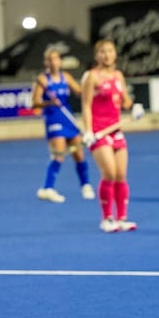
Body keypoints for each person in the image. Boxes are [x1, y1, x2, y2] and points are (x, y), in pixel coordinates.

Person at [81, 39, 144, 233]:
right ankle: (107, 218)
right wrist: (88, 130)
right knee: (109, 172)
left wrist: (134, 107)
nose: (106, 55)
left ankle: (122, 218)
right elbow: (85, 105)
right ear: (96, 55)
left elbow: (124, 100)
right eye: (102, 52)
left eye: (110, 51)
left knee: (121, 175)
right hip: (99, 133)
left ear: (115, 54)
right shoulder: (91, 77)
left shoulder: (118, 76)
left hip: (116, 131)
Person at [32, 48, 95, 203]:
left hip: (68, 118)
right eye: (50, 59)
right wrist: (49, 102)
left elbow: (80, 92)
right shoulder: (43, 80)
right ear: (46, 62)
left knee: (78, 154)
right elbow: (34, 102)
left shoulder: (66, 77)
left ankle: (85, 185)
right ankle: (48, 188)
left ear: (60, 61)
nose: (53, 62)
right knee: (59, 154)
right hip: (53, 120)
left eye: (56, 59)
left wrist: (90, 85)